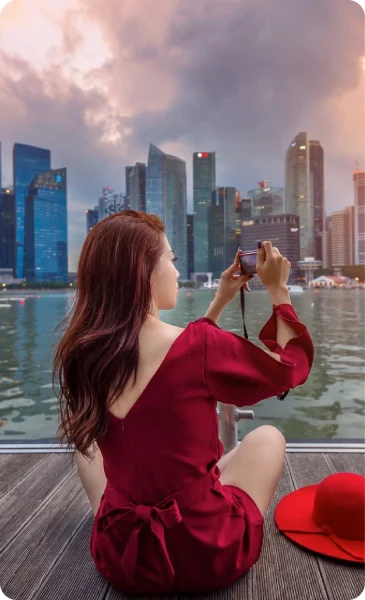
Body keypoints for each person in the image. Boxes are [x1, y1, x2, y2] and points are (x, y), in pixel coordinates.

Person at [53, 210, 314, 596]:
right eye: (171, 260)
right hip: (205, 554)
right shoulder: (201, 348)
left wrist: (221, 299)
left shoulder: (83, 353)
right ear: (145, 270)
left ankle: (119, 523)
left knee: (88, 448)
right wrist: (279, 291)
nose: (177, 272)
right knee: (268, 437)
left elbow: (185, 352)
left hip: (123, 560)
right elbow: (291, 367)